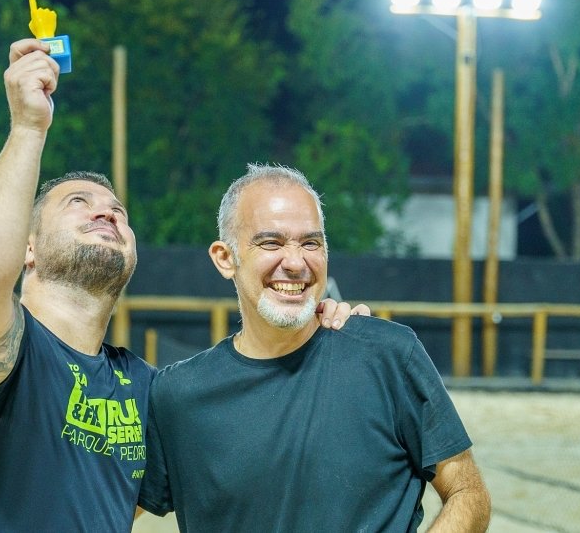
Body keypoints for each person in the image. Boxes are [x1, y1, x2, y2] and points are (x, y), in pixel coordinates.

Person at [0, 40, 362, 532]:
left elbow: (245, 432)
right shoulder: (8, 354)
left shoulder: (148, 389)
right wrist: (27, 128)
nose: (106, 212)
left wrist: (314, 335)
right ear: (28, 247)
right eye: (78, 202)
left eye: (118, 211)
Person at [137, 163, 492, 532]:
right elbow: (106, 509)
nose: (295, 263)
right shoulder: (176, 395)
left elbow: (468, 492)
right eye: (271, 242)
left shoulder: (389, 356)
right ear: (225, 258)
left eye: (311, 243)